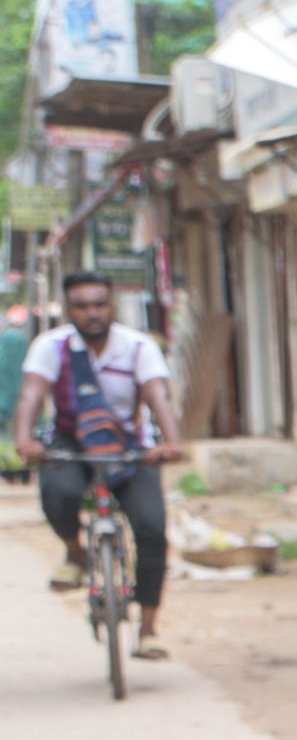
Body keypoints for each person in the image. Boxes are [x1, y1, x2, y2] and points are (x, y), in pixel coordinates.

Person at [13, 272, 184, 656]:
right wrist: (25, 440)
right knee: (58, 493)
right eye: (82, 306)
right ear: (68, 310)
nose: (92, 313)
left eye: (99, 304)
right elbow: (30, 395)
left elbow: (159, 397)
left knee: (152, 529)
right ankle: (75, 552)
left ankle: (149, 628)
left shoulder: (138, 347)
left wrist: (171, 443)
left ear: (112, 306)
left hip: (128, 445)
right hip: (71, 442)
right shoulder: (51, 346)